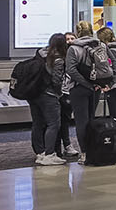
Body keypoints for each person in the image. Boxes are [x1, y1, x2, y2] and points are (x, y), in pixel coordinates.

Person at [14, 33, 73, 165]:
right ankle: (49, 153)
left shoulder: (40, 54)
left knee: (37, 123)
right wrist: (60, 94)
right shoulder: (58, 59)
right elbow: (56, 81)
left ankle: (39, 153)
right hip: (49, 95)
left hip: (34, 94)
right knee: (54, 124)